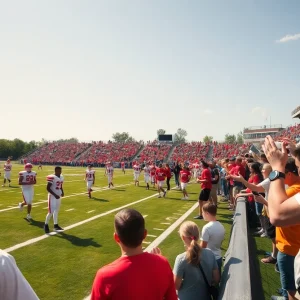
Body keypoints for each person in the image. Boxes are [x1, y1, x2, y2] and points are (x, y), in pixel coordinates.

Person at [90, 209, 177, 300]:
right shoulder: (163, 263)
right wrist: (158, 261)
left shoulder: (105, 276)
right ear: (145, 234)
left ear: (116, 238)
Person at [262, 136, 300, 299]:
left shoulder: (294, 189)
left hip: (289, 246)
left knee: (291, 292)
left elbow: (276, 214)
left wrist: (277, 168)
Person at [173, 221, 220, 300]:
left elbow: (176, 286)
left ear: (183, 237)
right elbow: (216, 279)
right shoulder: (210, 253)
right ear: (198, 236)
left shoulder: (181, 259)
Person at [201, 203, 225, 275]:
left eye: (203, 212)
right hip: (218, 258)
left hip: (208, 260)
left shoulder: (207, 228)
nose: (202, 214)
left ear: (207, 213)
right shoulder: (221, 226)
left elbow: (203, 247)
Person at [44, 166, 64, 234]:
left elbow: (60, 186)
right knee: (50, 211)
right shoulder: (52, 177)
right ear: (56, 171)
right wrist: (55, 195)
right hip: (52, 196)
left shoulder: (61, 177)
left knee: (56, 211)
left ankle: (56, 225)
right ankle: (46, 225)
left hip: (58, 196)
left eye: (60, 171)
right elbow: (48, 188)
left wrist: (62, 192)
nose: (60, 172)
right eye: (59, 171)